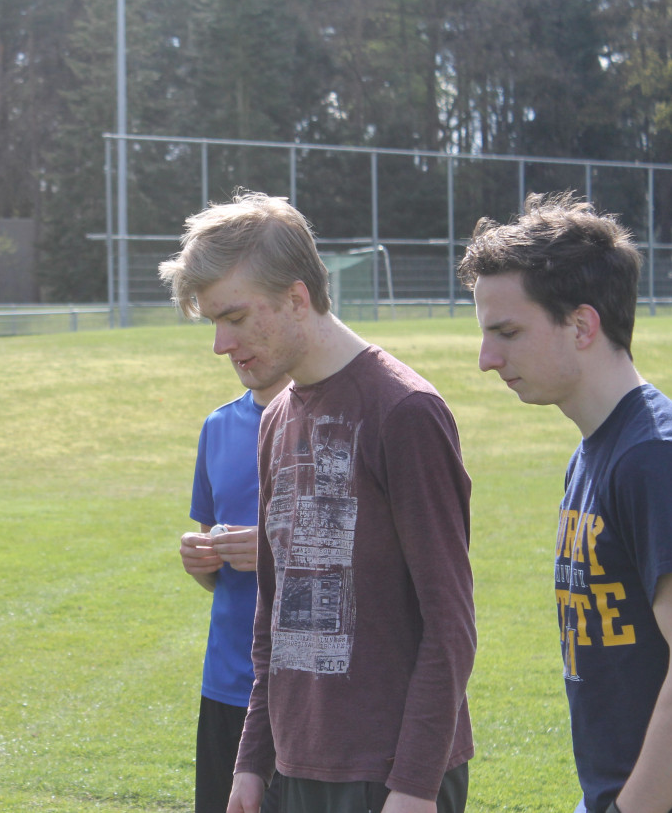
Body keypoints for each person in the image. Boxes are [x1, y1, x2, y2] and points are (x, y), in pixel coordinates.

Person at [159, 191, 475, 813]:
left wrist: (413, 788)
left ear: (297, 298)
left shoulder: (405, 412)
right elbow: (272, 617)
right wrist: (251, 763)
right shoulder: (276, 419)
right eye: (212, 323)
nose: (221, 343)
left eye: (235, 317)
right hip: (291, 767)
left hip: (390, 777)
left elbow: (451, 627)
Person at [459, 192, 672, 813]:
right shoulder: (596, 451)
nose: (487, 359)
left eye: (507, 332)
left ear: (582, 325)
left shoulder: (656, 458)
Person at [181, 358, 289, 813]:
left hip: (302, 690)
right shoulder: (218, 425)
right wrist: (199, 561)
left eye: (238, 319)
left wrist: (273, 554)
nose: (224, 344)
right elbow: (214, 573)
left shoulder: (329, 425)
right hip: (226, 684)